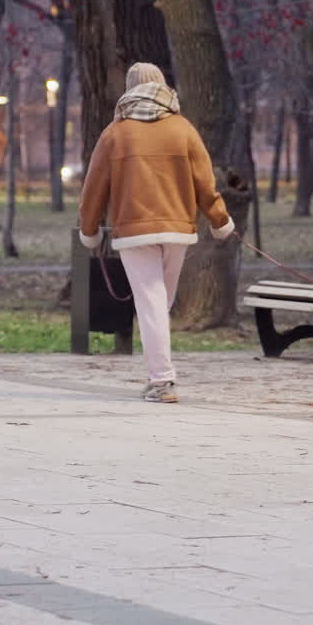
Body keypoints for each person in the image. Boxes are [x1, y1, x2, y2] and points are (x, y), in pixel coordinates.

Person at [77, 62, 234, 404]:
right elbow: (205, 184)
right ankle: (159, 376)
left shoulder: (115, 133)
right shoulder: (183, 129)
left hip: (134, 231)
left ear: (129, 90)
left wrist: (89, 231)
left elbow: (93, 190)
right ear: (163, 86)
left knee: (152, 302)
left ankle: (162, 381)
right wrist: (220, 220)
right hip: (177, 229)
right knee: (159, 302)